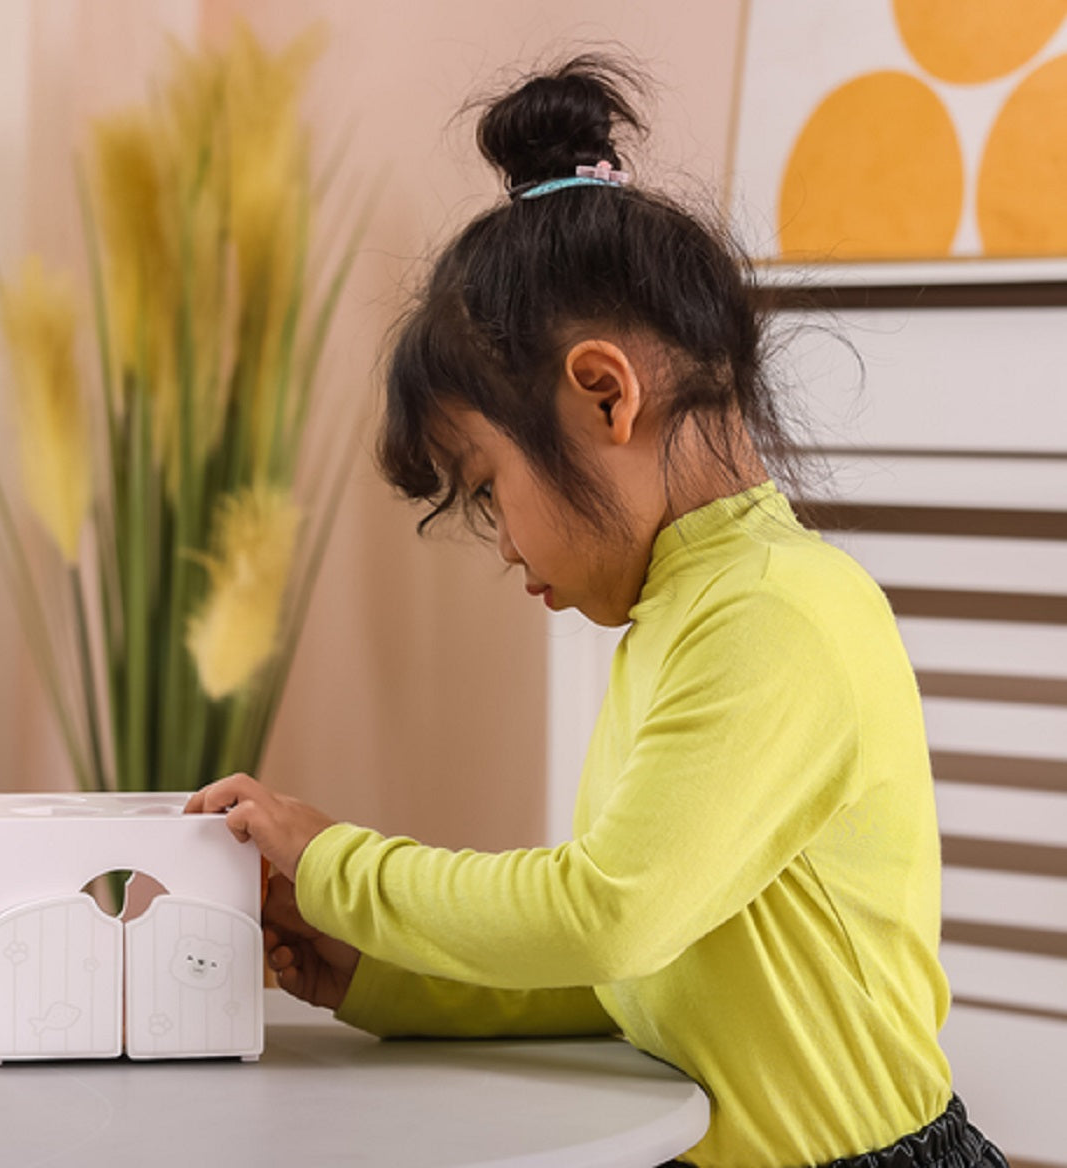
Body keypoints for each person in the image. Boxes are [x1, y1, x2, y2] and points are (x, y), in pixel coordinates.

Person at [184, 56, 1008, 1168]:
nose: (504, 544)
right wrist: (386, 976)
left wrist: (336, 864)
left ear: (606, 394)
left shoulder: (775, 616)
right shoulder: (679, 615)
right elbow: (639, 970)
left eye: (489, 489)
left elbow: (609, 912)